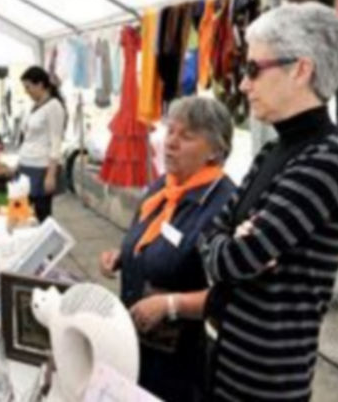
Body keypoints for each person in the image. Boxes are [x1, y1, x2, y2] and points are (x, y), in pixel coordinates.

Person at [198, 2, 338, 401]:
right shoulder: (276, 149)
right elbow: (210, 234)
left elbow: (232, 260)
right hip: (226, 358)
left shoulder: (329, 159)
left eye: (253, 69)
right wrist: (227, 243)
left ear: (300, 69)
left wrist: (228, 247)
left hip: (266, 379)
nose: (242, 84)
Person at [98, 96, 236, 402]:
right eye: (170, 131)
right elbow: (146, 238)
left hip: (178, 365)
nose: (171, 143)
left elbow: (231, 295)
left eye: (186, 136)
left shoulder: (224, 204)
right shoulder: (164, 186)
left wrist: (170, 305)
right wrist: (123, 256)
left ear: (216, 149)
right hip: (133, 345)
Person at [17, 66, 67, 222]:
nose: (26, 91)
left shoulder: (54, 107)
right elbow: (28, 137)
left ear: (40, 85)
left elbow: (56, 141)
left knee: (42, 214)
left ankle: (48, 244)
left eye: (28, 87)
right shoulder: (34, 106)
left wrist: (50, 175)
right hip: (26, 165)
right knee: (22, 213)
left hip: (41, 167)